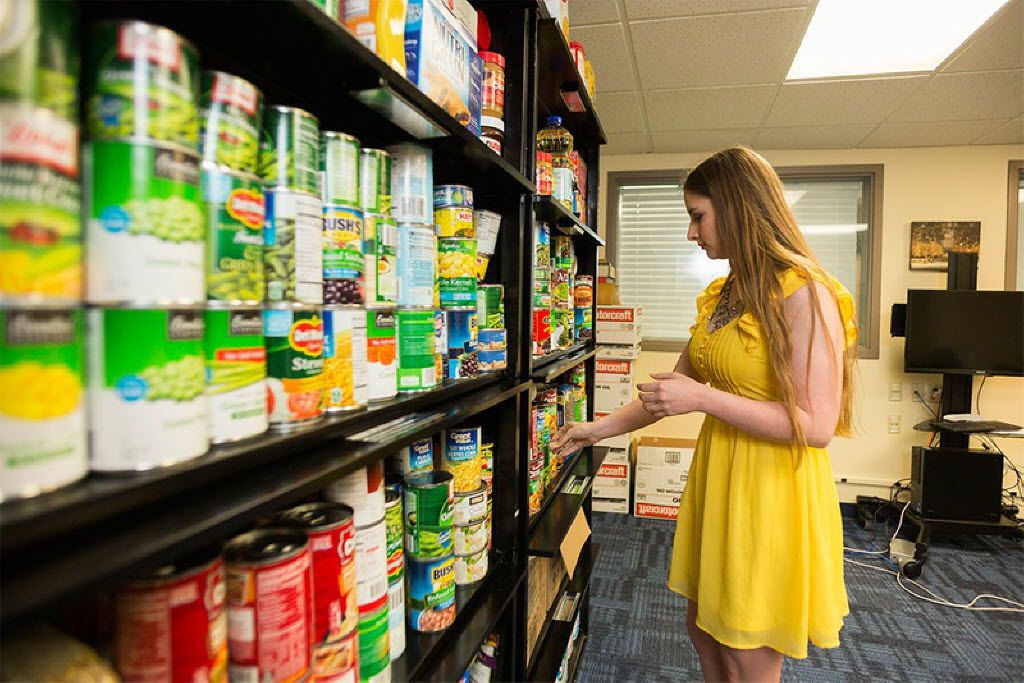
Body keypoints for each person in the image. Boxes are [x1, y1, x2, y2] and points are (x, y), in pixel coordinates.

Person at [552, 147, 858, 683]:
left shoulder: (805, 292)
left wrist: (705, 399)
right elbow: (670, 390)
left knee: (747, 654)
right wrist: (594, 431)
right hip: (719, 478)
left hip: (771, 493)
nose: (692, 233)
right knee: (702, 630)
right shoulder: (725, 293)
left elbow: (815, 425)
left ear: (739, 208)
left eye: (698, 216)